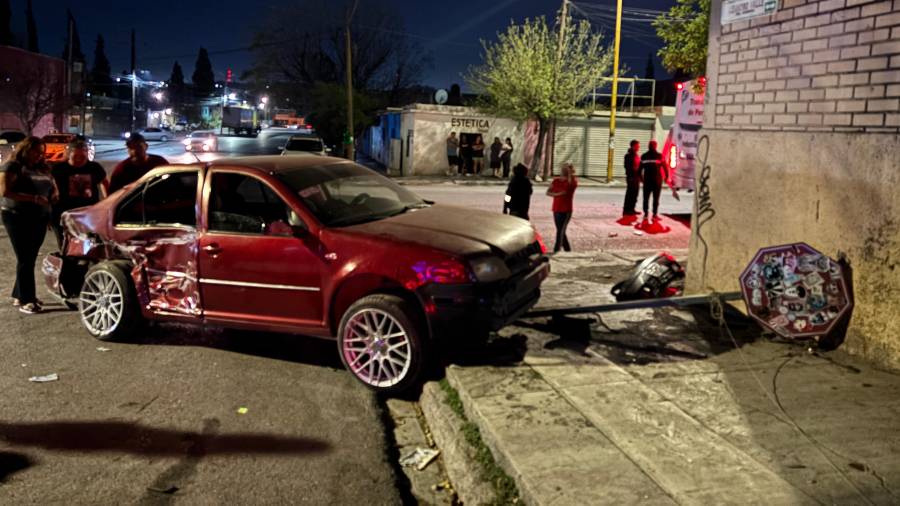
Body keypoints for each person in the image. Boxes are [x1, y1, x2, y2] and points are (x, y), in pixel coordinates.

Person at [0, 136, 58, 314]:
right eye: (35, 152)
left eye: (41, 153)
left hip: (39, 216)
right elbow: (5, 192)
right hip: (17, 216)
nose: (39, 156)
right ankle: (27, 300)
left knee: (29, 257)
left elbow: (51, 184)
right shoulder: (13, 166)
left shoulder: (41, 167)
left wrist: (54, 193)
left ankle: (19, 294)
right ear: (25, 149)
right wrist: (32, 198)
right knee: (25, 257)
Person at [50, 139, 108, 249]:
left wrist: (107, 202)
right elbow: (50, 189)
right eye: (75, 157)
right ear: (68, 155)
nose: (79, 160)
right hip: (64, 214)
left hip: (88, 215)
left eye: (83, 157)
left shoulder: (94, 167)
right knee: (65, 246)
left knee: (88, 246)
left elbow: (104, 183)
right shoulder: (58, 169)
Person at [639, 140, 678, 222]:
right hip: (657, 181)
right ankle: (654, 214)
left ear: (648, 146)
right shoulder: (659, 156)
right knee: (656, 198)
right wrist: (666, 177)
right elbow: (665, 167)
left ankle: (646, 214)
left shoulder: (644, 156)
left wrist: (642, 179)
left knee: (646, 198)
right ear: (655, 146)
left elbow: (639, 170)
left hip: (647, 181)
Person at [546, 162, 578, 253]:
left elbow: (570, 184)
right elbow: (548, 192)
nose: (563, 170)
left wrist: (569, 173)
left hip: (566, 209)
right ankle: (568, 250)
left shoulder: (572, 181)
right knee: (561, 230)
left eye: (566, 169)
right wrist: (557, 194)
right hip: (556, 208)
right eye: (563, 168)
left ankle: (556, 250)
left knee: (560, 230)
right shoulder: (556, 181)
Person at [622, 139, 641, 216]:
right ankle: (627, 209)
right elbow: (628, 167)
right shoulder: (628, 155)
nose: (638, 148)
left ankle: (632, 208)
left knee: (635, 194)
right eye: (637, 146)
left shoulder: (636, 155)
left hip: (636, 177)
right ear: (633, 146)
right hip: (631, 177)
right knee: (630, 193)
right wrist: (633, 172)